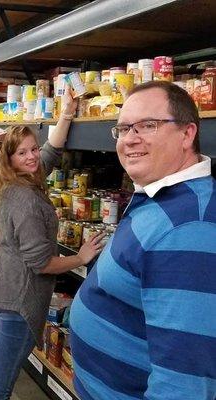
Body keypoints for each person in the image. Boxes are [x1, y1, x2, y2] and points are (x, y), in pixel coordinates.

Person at [70, 81, 216, 400]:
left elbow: (184, 384)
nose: (129, 139)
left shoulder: (188, 227)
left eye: (147, 125)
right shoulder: (162, 197)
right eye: (122, 129)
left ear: (187, 134)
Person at [0, 90, 105, 400]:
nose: (31, 157)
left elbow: (51, 151)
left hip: (2, 292)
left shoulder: (9, 182)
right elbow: (41, 263)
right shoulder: (27, 201)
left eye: (32, 149)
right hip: (20, 301)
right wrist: (79, 258)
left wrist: (67, 113)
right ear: (10, 159)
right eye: (22, 153)